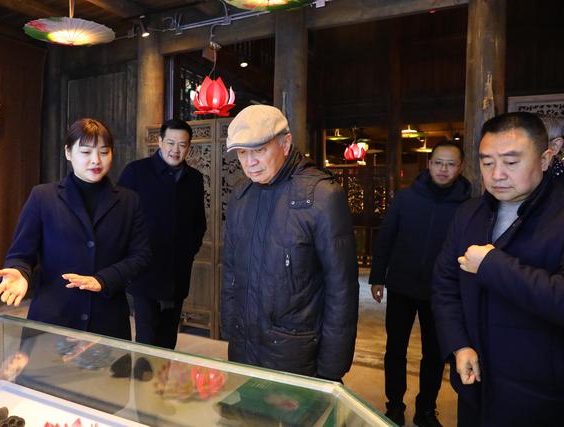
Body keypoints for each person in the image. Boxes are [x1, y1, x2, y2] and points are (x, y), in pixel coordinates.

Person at [432, 112, 564, 426]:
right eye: (487, 162)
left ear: (545, 159)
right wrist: (459, 344)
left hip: (541, 392)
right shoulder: (470, 212)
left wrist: (493, 265)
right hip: (476, 381)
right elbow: (444, 284)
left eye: (511, 162)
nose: (497, 175)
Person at [220, 105, 359, 382]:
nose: (250, 162)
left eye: (259, 150)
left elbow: (341, 289)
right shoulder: (240, 195)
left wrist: (332, 368)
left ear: (285, 143)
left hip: (295, 351)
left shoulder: (321, 196)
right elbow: (231, 271)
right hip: (244, 345)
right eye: (242, 153)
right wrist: (229, 327)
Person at [0, 118, 151, 340]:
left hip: (107, 320)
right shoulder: (43, 197)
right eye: (86, 152)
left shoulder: (129, 201)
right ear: (68, 152)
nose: (96, 160)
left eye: (104, 152)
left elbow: (141, 256)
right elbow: (21, 254)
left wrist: (103, 280)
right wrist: (19, 272)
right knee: (45, 365)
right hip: (53, 317)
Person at [369, 141, 471, 427]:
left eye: (450, 164)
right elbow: (386, 238)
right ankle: (394, 405)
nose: (443, 169)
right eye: (438, 162)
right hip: (401, 286)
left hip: (440, 292)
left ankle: (426, 408)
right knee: (395, 349)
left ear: (460, 167)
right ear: (429, 163)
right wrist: (377, 277)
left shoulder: (467, 205)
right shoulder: (406, 198)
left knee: (435, 354)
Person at [117, 118, 206, 349]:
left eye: (182, 145)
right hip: (145, 270)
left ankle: (164, 374)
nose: (176, 150)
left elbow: (199, 223)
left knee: (169, 338)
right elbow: (119, 217)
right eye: (170, 143)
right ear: (159, 142)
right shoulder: (136, 171)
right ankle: (143, 373)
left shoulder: (194, 178)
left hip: (178, 271)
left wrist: (187, 252)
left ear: (189, 147)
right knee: (146, 337)